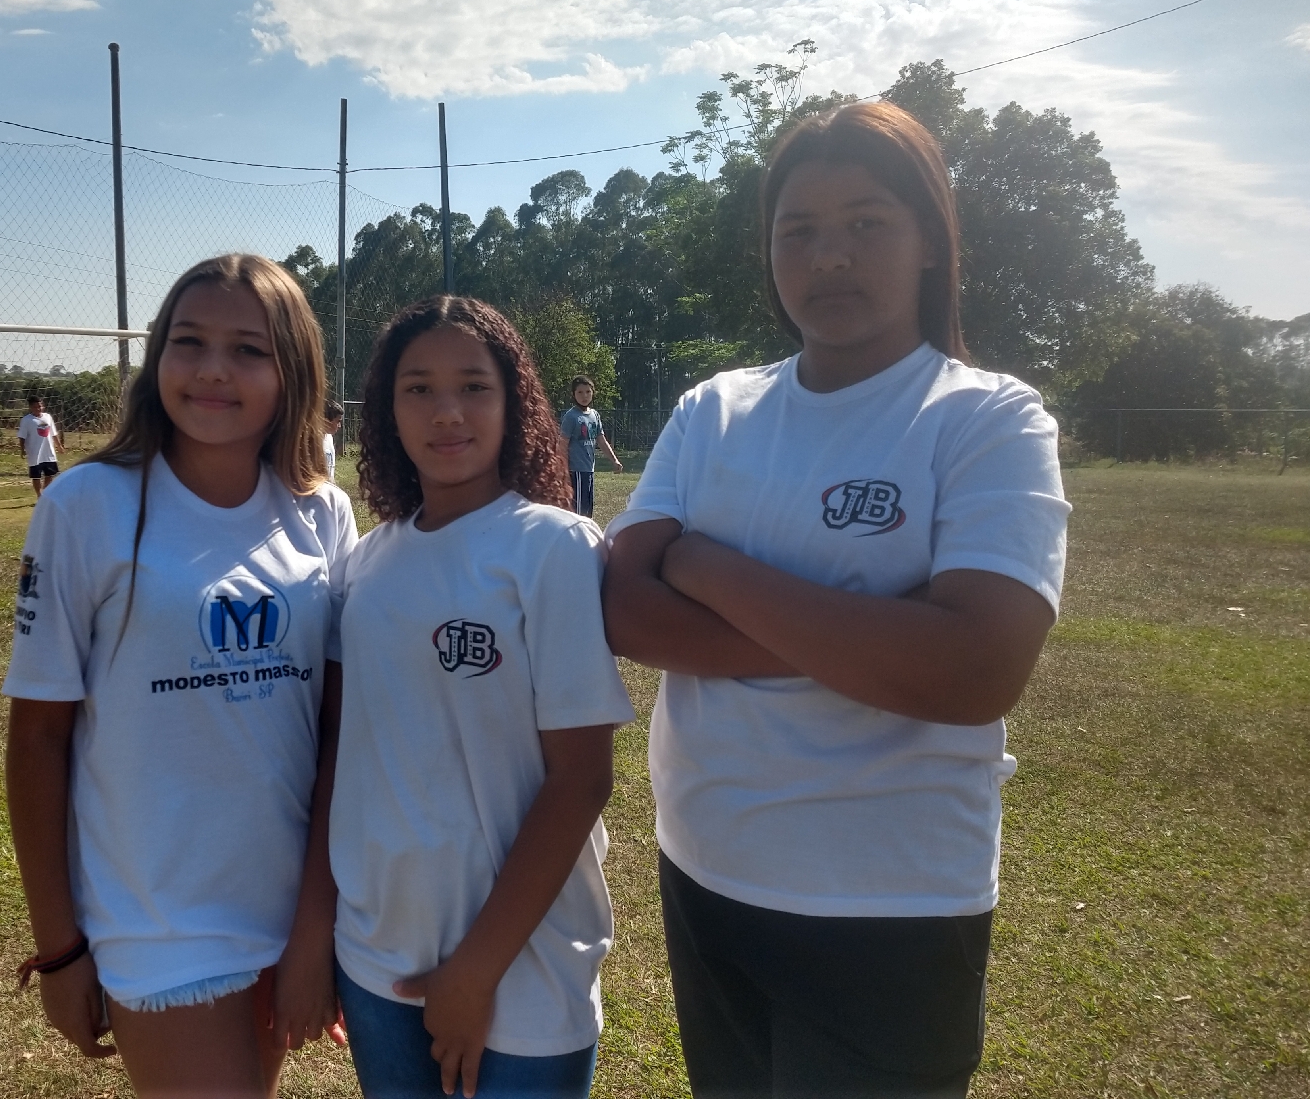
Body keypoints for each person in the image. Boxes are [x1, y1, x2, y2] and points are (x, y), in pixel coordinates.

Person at [602, 102, 1070, 1098]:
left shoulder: (986, 419)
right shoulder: (713, 409)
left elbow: (973, 670)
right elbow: (620, 605)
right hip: (705, 870)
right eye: (799, 230)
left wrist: (705, 566)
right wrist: (873, 634)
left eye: (866, 222)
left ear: (929, 240)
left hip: (891, 903)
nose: (830, 256)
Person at [3, 254, 357, 1098]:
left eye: (249, 350)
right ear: (157, 354)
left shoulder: (321, 511)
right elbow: (38, 740)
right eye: (189, 341)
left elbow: (339, 735)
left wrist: (316, 928)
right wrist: (59, 949)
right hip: (158, 922)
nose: (212, 370)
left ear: (293, 370)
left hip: (287, 911)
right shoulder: (86, 507)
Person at [305, 295, 635, 1099]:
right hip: (376, 958)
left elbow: (581, 779)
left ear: (513, 402)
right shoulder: (364, 565)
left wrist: (474, 972)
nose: (447, 412)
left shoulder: (554, 547)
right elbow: (337, 754)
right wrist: (315, 936)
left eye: (473, 387)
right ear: (387, 411)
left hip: (525, 973)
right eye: (418, 388)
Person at [558, 376, 622, 517]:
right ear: (573, 394)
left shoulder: (594, 415)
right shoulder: (571, 417)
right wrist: (562, 468)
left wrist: (614, 460)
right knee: (578, 511)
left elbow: (601, 440)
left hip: (589, 470)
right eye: (580, 392)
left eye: (588, 391)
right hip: (576, 471)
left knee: (587, 509)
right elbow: (562, 443)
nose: (584, 396)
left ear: (593, 393)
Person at [18, 395, 65, 497]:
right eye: (35, 407)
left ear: (42, 406)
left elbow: (53, 433)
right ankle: (39, 495)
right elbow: (22, 437)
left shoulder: (48, 417)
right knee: (36, 476)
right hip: (35, 453)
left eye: (39, 406)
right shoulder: (26, 420)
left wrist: (59, 446)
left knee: (50, 474)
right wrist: (22, 449)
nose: (38, 409)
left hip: (48, 452)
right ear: (31, 407)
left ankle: (44, 493)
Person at [323, 399, 343, 481]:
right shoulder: (312, 442)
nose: (339, 426)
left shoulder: (329, 438)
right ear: (326, 421)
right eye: (338, 421)